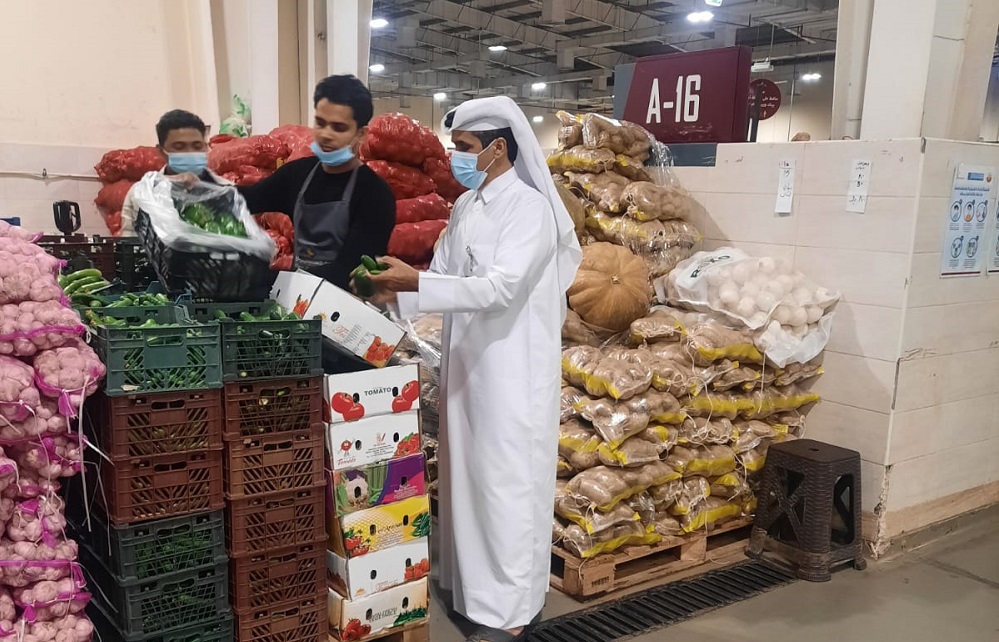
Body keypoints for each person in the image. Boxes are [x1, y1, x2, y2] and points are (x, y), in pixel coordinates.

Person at [360, 96, 582, 642]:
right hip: (466, 367)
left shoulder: (529, 209)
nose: (458, 158)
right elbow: (443, 275)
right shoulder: (468, 207)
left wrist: (418, 284)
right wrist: (394, 286)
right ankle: (471, 592)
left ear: (499, 148)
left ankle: (508, 611)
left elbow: (501, 287)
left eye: (465, 149)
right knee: (465, 481)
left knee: (506, 486)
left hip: (512, 372)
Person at [237, 74, 395, 292]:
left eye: (338, 128)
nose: (325, 135)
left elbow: (348, 270)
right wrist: (194, 186)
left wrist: (272, 281)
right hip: (298, 303)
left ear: (361, 133)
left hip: (346, 310)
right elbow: (246, 199)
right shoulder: (298, 174)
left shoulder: (375, 194)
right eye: (320, 123)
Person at [120, 109, 226, 234]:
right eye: (179, 147)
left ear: (205, 146)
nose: (189, 152)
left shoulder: (226, 190)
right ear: (161, 151)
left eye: (197, 146)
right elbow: (129, 242)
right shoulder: (141, 194)